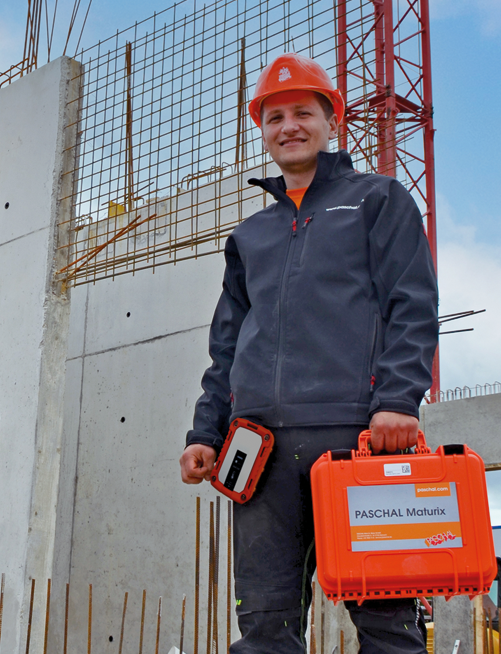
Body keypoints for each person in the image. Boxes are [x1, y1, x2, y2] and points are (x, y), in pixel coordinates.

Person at [179, 53, 438, 654]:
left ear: (332, 121)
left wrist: (398, 399)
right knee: (265, 625)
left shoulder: (379, 201)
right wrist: (205, 432)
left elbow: (412, 303)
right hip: (259, 451)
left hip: (357, 441)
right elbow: (227, 345)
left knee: (387, 623)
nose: (289, 126)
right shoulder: (251, 236)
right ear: (261, 129)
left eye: (303, 112)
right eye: (274, 117)